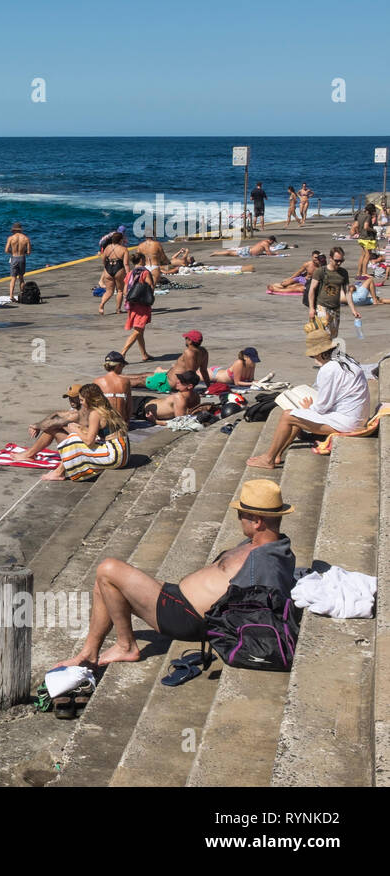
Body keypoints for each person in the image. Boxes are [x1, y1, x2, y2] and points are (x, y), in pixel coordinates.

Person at [55, 480, 295, 668]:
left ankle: (126, 645)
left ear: (258, 521)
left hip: (186, 617)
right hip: (178, 598)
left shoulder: (266, 560)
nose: (238, 517)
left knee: (108, 569)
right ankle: (88, 653)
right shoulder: (263, 545)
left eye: (242, 514)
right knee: (104, 584)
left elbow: (264, 603)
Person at [246, 331, 370, 469]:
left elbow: (323, 406)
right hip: (356, 417)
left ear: (317, 353)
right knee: (298, 414)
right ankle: (277, 454)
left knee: (288, 415)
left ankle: (269, 459)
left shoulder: (329, 369)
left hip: (347, 422)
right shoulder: (347, 360)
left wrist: (309, 408)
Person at [20, 384, 129, 481]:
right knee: (75, 436)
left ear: (89, 400)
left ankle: (59, 472)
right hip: (122, 452)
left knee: (73, 440)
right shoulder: (105, 407)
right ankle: (57, 470)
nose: (80, 402)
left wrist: (76, 429)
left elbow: (89, 441)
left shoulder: (95, 414)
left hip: (115, 457)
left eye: (81, 400)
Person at [123, 329, 210, 391]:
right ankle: (117, 376)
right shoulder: (204, 351)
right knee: (144, 374)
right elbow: (204, 371)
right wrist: (209, 386)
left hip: (168, 382)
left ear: (190, 341)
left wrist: (184, 388)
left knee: (140, 381)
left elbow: (190, 373)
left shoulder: (189, 352)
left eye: (186, 338)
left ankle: (116, 382)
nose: (185, 340)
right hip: (166, 376)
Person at [307, 246, 358, 337]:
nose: (339, 263)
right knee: (325, 333)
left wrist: (353, 310)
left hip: (336, 308)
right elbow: (312, 290)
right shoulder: (321, 271)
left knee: (334, 335)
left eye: (341, 261)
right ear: (330, 258)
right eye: (336, 260)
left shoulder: (343, 273)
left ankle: (329, 351)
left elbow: (347, 292)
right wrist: (311, 308)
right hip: (322, 306)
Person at [118, 252, 154, 362]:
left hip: (132, 304)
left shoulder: (129, 273)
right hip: (142, 305)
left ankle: (144, 354)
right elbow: (150, 287)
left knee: (140, 330)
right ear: (142, 260)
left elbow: (125, 291)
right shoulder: (145, 272)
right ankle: (122, 353)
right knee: (138, 330)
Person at [140, 372, 204, 423]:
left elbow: (179, 423)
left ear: (190, 386)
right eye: (178, 379)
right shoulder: (196, 396)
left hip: (141, 407)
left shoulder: (180, 397)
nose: (177, 381)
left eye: (181, 381)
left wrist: (155, 421)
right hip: (147, 402)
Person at [97, 234, 130, 314]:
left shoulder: (107, 247)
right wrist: (129, 274)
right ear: (120, 240)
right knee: (120, 291)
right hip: (119, 268)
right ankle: (118, 309)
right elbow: (126, 264)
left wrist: (106, 267)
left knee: (109, 291)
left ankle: (101, 305)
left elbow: (103, 259)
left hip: (108, 268)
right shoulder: (124, 249)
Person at [95, 351, 133, 421]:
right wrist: (127, 422)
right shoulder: (125, 381)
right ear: (118, 365)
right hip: (121, 423)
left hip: (103, 423)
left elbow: (93, 405)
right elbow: (129, 407)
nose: (123, 368)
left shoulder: (97, 381)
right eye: (123, 365)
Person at [5, 222, 32, 302]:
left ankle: (11, 296)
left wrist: (12, 252)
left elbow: (6, 250)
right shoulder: (26, 238)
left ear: (14, 230)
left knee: (13, 278)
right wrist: (24, 252)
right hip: (22, 258)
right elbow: (29, 252)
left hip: (14, 258)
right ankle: (22, 294)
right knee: (21, 278)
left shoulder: (10, 238)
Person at [210, 236, 280, 257]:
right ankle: (216, 253)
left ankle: (216, 253)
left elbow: (261, 250)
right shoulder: (266, 243)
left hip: (248, 250)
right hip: (247, 252)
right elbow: (268, 253)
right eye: (273, 242)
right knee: (230, 253)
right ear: (270, 240)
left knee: (231, 252)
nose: (272, 243)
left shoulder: (263, 242)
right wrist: (275, 254)